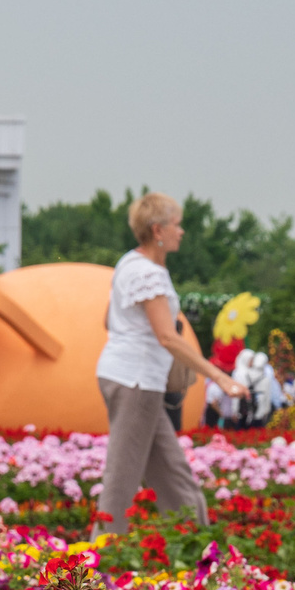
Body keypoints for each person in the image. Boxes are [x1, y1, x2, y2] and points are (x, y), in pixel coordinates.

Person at [95, 192, 245, 532]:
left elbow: (109, 320)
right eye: (177, 225)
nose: (182, 232)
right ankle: (91, 567)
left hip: (131, 379)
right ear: (157, 229)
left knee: (175, 478)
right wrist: (220, 378)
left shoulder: (128, 265)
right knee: (121, 483)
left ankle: (199, 551)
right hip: (135, 381)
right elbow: (167, 336)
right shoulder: (149, 274)